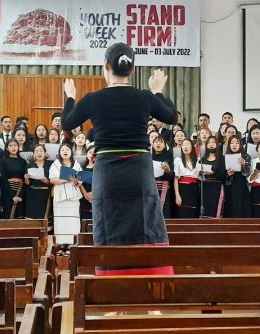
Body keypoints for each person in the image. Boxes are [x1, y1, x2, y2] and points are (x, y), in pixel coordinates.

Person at [60, 42, 176, 276]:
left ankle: (110, 280)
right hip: (139, 171)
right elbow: (171, 116)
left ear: (105, 66)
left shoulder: (94, 99)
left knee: (109, 220)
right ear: (132, 70)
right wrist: (156, 91)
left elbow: (66, 123)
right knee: (146, 219)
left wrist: (70, 97)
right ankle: (151, 280)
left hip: (108, 172)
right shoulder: (144, 97)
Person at [50, 144, 83, 243]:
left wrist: (76, 181)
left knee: (73, 222)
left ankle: (73, 244)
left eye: (67, 149)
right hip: (60, 198)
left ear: (71, 152)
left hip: (73, 197)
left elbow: (80, 181)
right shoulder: (55, 164)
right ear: (59, 152)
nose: (65, 151)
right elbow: (52, 180)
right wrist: (65, 179)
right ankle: (61, 245)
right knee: (60, 222)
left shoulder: (76, 164)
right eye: (62, 150)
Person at [223, 135, 252, 218]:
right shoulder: (225, 156)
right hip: (230, 185)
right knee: (230, 208)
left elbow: (247, 173)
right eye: (231, 143)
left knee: (241, 208)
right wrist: (228, 174)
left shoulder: (246, 156)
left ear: (240, 144)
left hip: (241, 184)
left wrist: (243, 165)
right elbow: (222, 175)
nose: (234, 145)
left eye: (236, 143)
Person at [0, 139, 27, 219]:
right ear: (7, 148)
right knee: (7, 216)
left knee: (19, 217)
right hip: (7, 193)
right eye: (10, 146)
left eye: (15, 145)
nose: (13, 147)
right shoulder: (3, 161)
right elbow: (3, 179)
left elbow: (25, 180)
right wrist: (12, 196)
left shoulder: (23, 161)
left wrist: (20, 196)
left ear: (18, 147)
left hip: (20, 192)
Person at [198, 136, 225, 218]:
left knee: (215, 212)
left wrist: (212, 173)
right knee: (205, 213)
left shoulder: (221, 159)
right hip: (205, 188)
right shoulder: (202, 159)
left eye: (213, 142)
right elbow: (198, 174)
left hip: (216, 187)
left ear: (217, 144)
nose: (211, 144)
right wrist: (201, 174)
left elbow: (223, 175)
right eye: (209, 142)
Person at [173, 139, 201, 218]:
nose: (185, 147)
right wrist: (177, 195)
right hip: (182, 188)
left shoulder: (198, 161)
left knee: (193, 212)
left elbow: (199, 177)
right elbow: (176, 179)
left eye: (188, 144)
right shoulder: (178, 160)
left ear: (192, 147)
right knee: (182, 212)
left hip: (194, 188)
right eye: (183, 145)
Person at [24, 145, 52, 221]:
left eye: (41, 151)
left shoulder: (50, 164)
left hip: (45, 194)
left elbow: (53, 180)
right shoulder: (29, 165)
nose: (39, 153)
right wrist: (26, 179)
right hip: (32, 194)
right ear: (33, 154)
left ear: (45, 153)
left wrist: (47, 181)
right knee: (32, 216)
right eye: (37, 151)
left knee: (44, 217)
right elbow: (27, 184)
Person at [79, 146, 96, 221]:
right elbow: (80, 183)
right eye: (90, 152)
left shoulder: (100, 167)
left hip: (97, 196)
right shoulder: (82, 167)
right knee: (85, 220)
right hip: (84, 197)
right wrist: (85, 194)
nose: (92, 154)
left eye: (94, 153)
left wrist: (94, 193)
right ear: (86, 154)